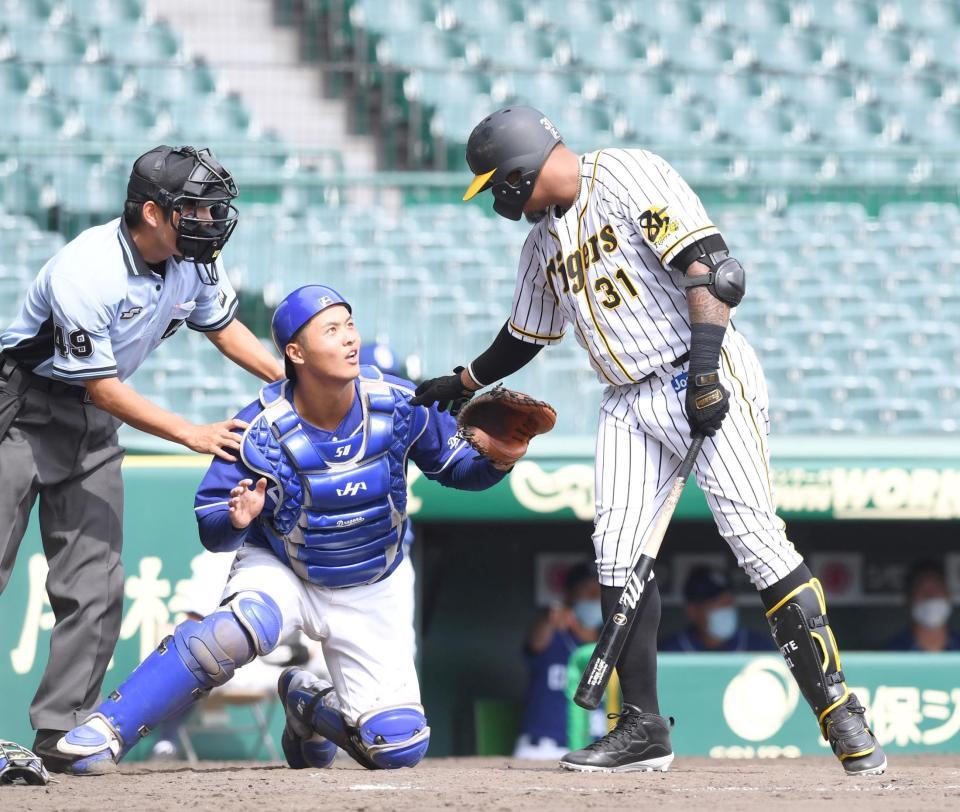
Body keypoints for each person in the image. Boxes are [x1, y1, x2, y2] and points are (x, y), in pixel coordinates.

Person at [410, 106, 886, 775]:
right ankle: (640, 726)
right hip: (629, 399)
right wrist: (462, 379)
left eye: (495, 182)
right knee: (615, 553)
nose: (496, 196)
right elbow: (524, 335)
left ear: (519, 170)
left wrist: (703, 373)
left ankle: (837, 707)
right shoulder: (542, 244)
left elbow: (714, 270)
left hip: (702, 362)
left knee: (753, 536)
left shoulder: (626, 174)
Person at [54, 285, 510, 774]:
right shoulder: (260, 429)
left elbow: (458, 471)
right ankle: (105, 730)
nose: (349, 339)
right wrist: (236, 518)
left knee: (397, 746)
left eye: (350, 325)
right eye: (331, 330)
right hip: (286, 565)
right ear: (295, 351)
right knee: (234, 630)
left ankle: (307, 705)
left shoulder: (400, 402)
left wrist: (502, 455)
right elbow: (212, 528)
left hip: (374, 579)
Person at [0, 145, 283, 773]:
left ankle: (65, 733)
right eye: (197, 208)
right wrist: (189, 432)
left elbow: (224, 328)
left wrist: (294, 382)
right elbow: (100, 383)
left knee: (95, 582)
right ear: (153, 212)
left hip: (91, 418)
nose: (212, 219)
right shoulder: (87, 268)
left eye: (215, 207)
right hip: (19, 407)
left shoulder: (192, 260)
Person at [514, 562, 602, 760]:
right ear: (570, 596)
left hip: (599, 748)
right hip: (543, 748)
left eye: (600, 592)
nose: (595, 598)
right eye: (588, 591)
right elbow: (536, 642)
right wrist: (550, 617)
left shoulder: (613, 642)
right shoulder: (553, 635)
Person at [660, 565, 770, 652]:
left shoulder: (759, 648)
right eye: (717, 601)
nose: (726, 605)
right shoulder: (669, 652)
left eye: (728, 600)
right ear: (692, 610)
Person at [886, 560, 959, 652]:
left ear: (949, 596)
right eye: (922, 590)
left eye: (937, 588)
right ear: (909, 600)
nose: (931, 596)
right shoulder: (893, 652)